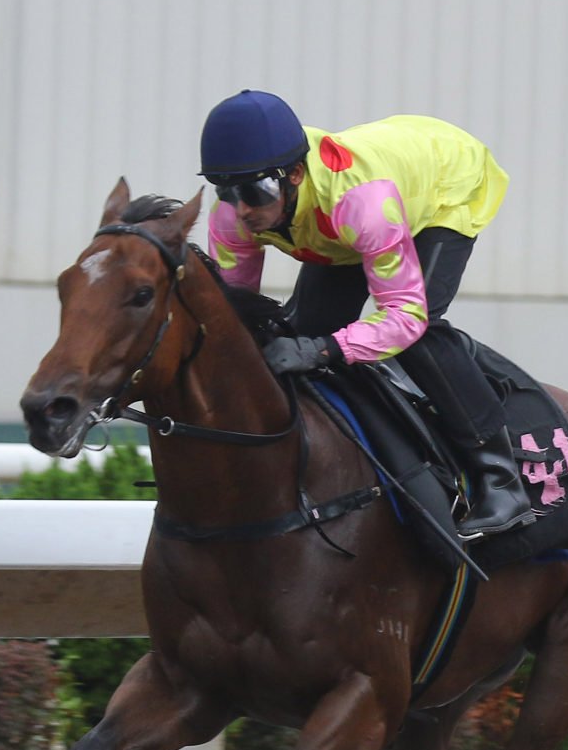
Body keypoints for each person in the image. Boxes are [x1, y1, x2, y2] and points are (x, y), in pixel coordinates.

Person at [199, 89, 535, 539]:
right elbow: (234, 317)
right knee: (298, 334)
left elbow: (405, 317)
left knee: (417, 335)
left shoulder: (362, 205)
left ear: (294, 174)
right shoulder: (232, 217)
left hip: (445, 184)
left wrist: (323, 350)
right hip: (345, 220)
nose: (242, 210)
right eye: (227, 191)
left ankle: (500, 477)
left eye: (255, 192)